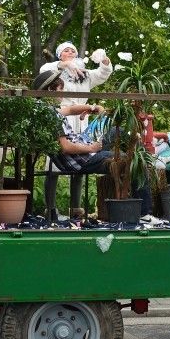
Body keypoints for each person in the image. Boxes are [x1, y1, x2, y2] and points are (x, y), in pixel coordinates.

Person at [39, 41, 113, 216]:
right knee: (53, 166)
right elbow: (43, 71)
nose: (71, 52)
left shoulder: (84, 74)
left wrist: (104, 59)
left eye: (73, 50)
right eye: (66, 50)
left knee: (82, 161)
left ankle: (75, 207)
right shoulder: (55, 72)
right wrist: (65, 65)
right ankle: (50, 208)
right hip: (60, 117)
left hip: (81, 121)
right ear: (60, 55)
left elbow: (103, 74)